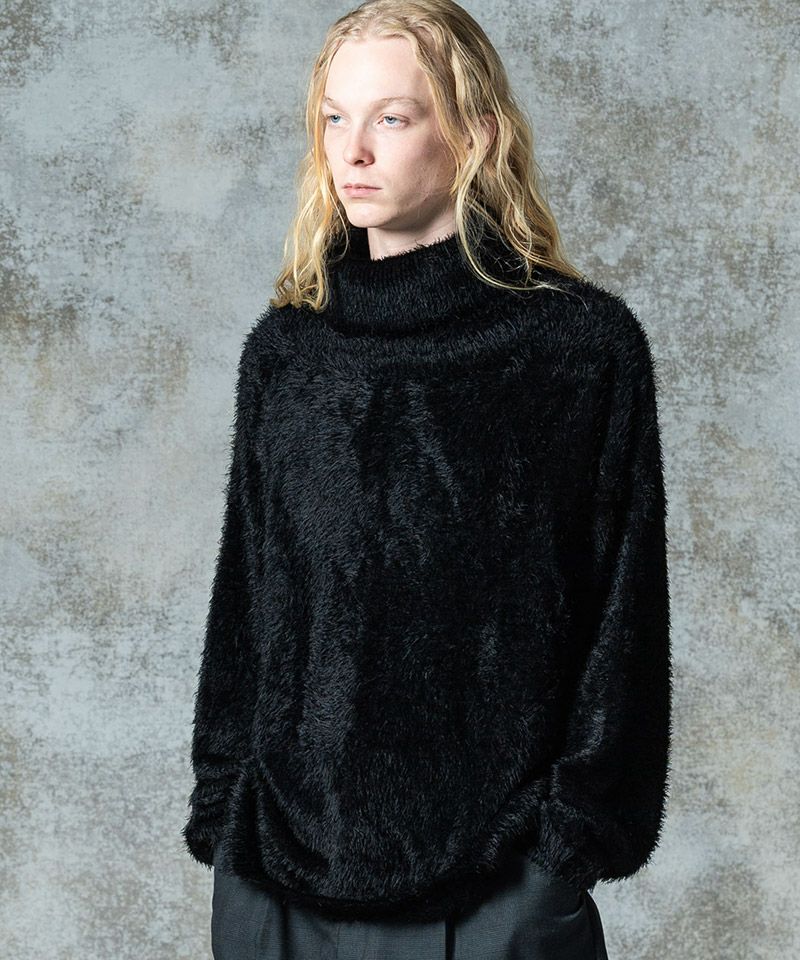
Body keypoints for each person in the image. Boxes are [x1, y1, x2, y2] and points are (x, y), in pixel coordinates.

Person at [182, 1, 672, 958]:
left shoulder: (578, 349)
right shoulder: (288, 353)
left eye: (393, 117)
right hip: (278, 880)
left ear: (475, 134)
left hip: (498, 885)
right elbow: (248, 601)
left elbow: (623, 615)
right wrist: (224, 806)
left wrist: (567, 843)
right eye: (335, 117)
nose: (353, 149)